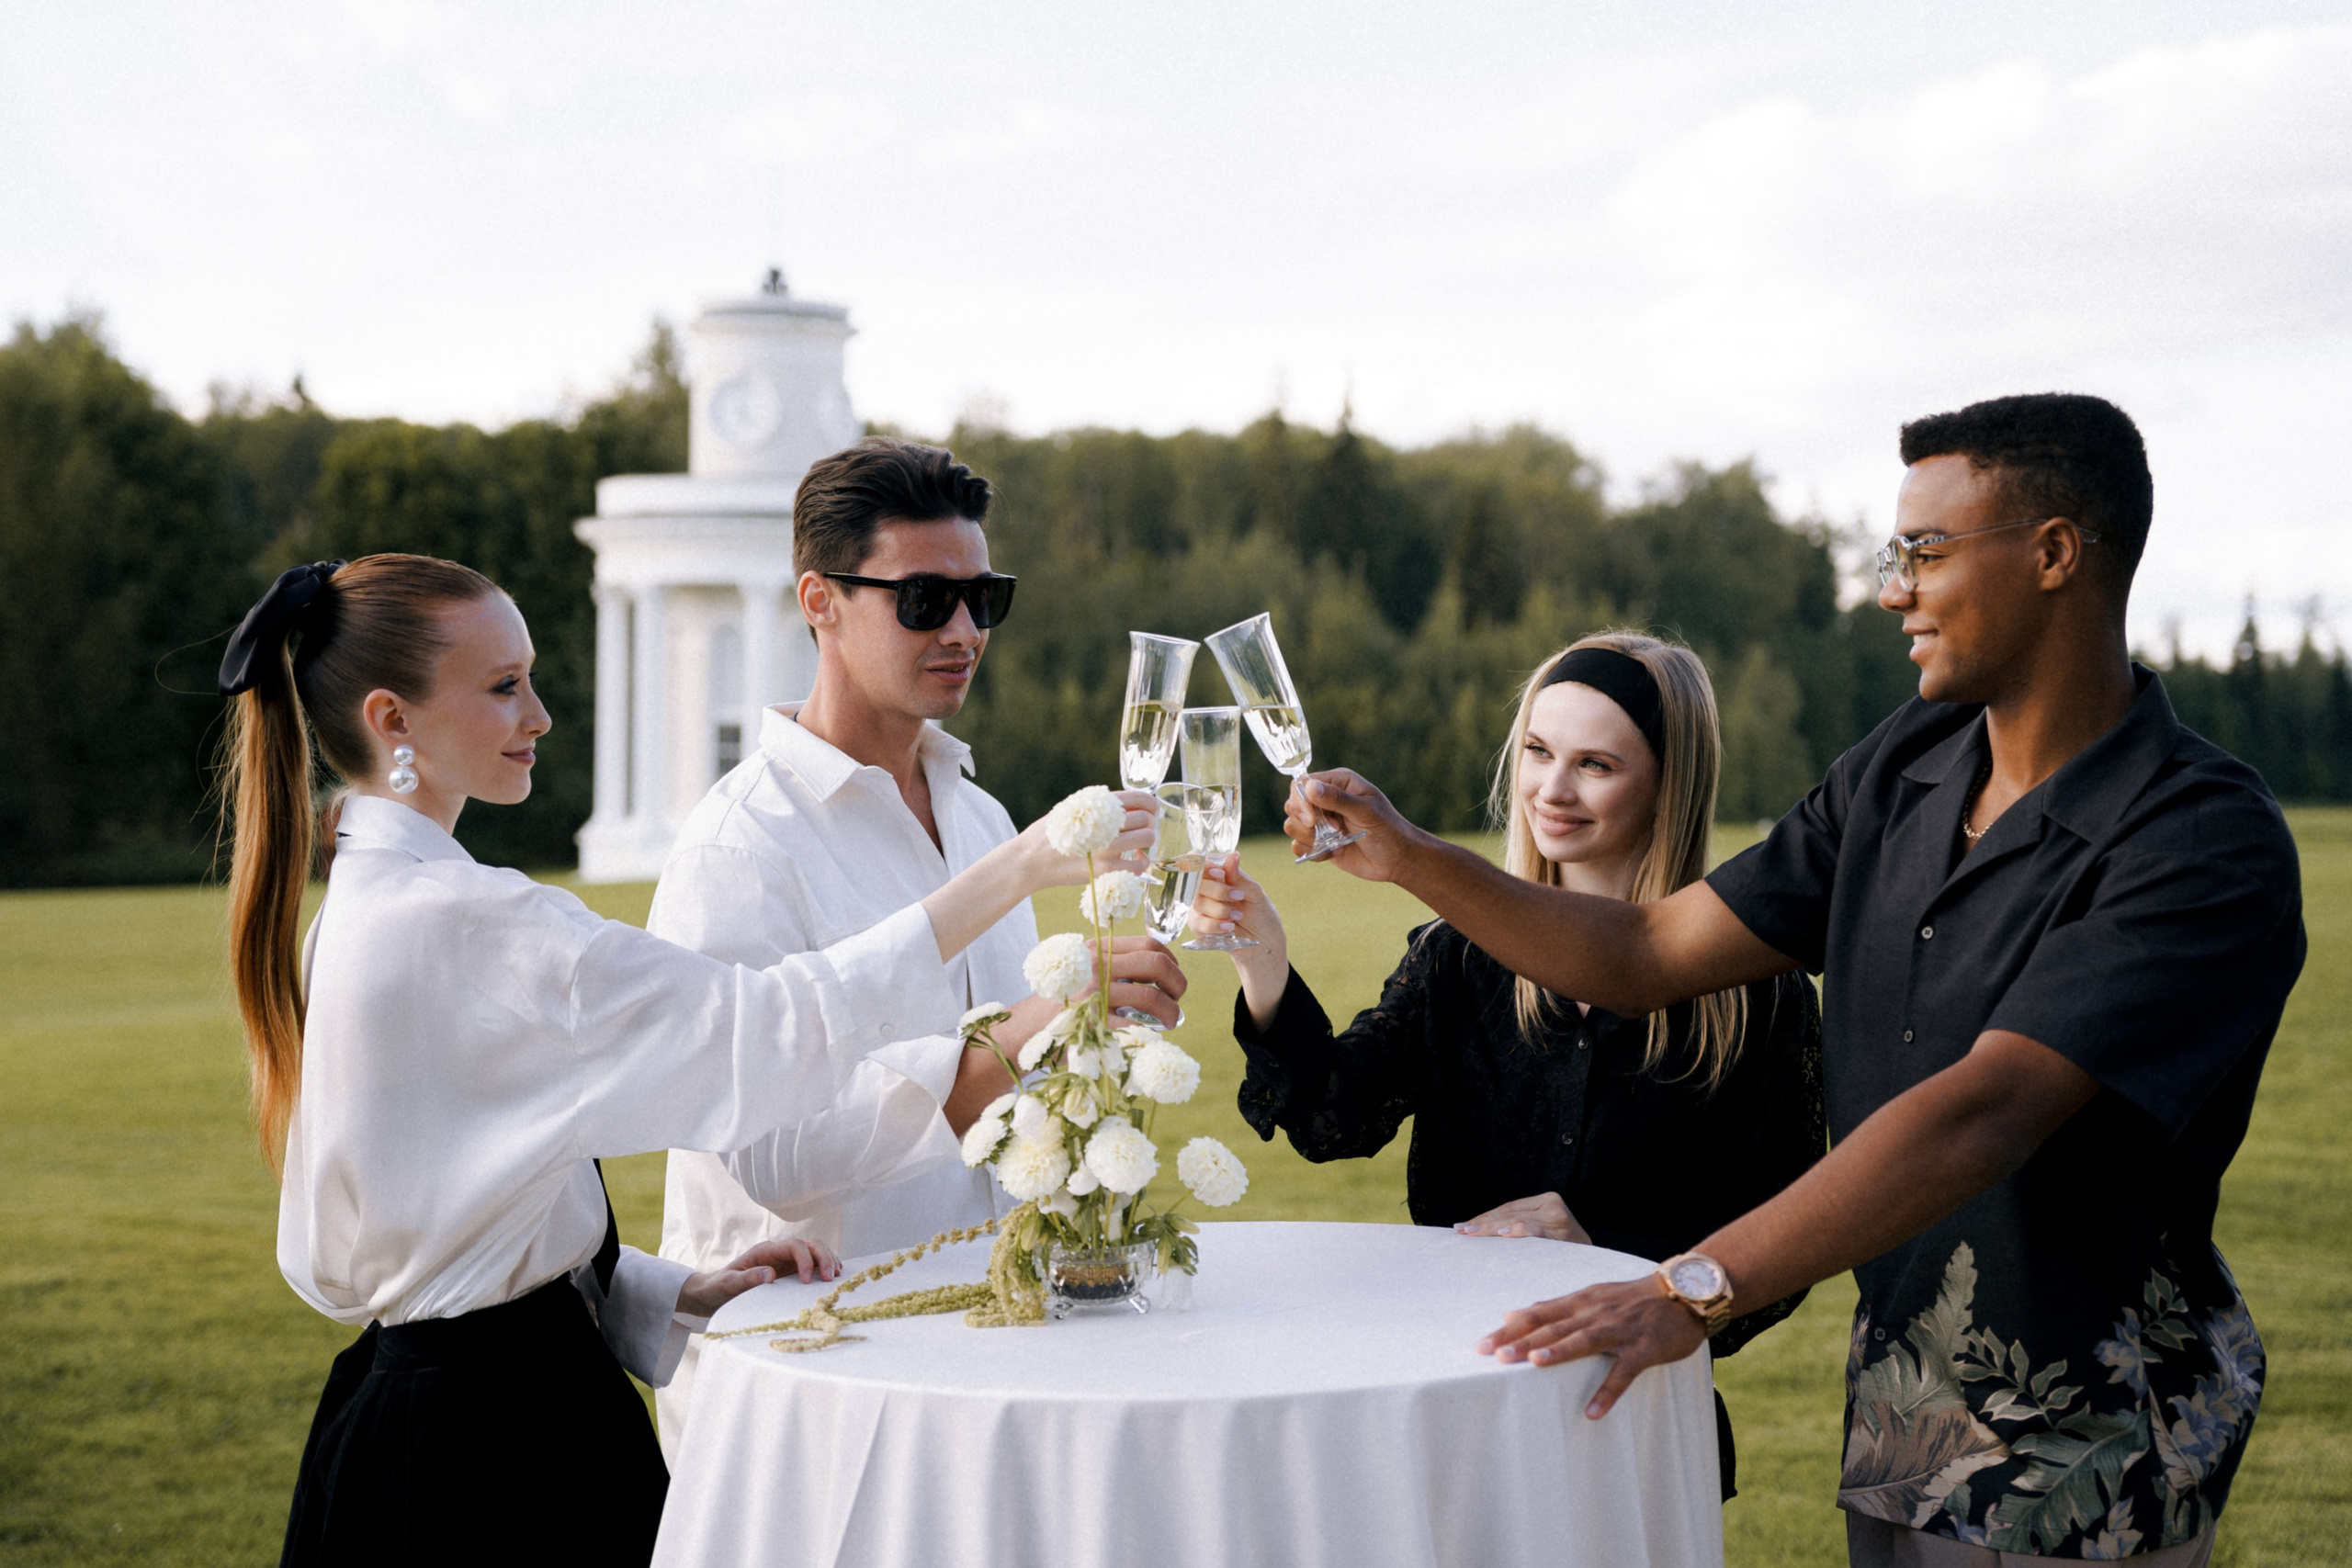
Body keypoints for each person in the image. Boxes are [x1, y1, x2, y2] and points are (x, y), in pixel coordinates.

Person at [1282, 394, 2302, 1566]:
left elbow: (1987, 1110)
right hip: (1902, 1412)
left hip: (2099, 1435)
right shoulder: (1902, 770)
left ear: (2055, 553)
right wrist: (1413, 858)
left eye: (1922, 551)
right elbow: (1650, 953)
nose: (1889, 590)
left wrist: (1689, 1288)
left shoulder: (2198, 837)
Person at [215, 551, 1153, 1566]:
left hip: (421, 1424)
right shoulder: (465, 922)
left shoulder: (370, 909)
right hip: (499, 1457)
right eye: (502, 688)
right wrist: (1017, 872)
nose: (539, 716)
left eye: (529, 678)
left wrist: (669, 1292)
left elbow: (461, 1234)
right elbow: (766, 1028)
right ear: (391, 721)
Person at [647, 437, 1189, 1457]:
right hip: (812, 1383)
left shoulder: (980, 816)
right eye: (924, 601)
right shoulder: (738, 848)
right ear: (820, 600)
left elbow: (1023, 1114)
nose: (965, 631)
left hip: (991, 1354)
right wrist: (1026, 1034)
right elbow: (773, 1157)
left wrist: (1101, 1035)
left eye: (985, 599)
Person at [1188, 630, 1823, 1500]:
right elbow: (1335, 1119)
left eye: (1595, 764)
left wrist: (1607, 1250)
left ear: (1670, 784)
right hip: (1459, 1405)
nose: (1551, 790)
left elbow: (1787, 1240)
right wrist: (1263, 960)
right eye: (1537, 750)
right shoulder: (1458, 958)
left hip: (1632, 1421)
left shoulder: (1757, 993)